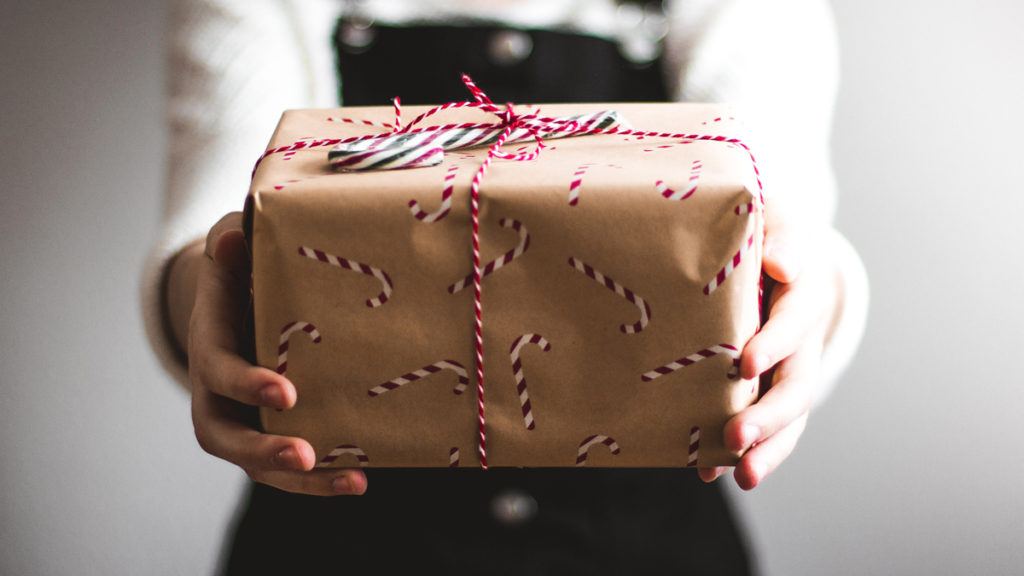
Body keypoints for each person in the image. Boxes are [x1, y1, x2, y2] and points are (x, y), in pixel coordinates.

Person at [142, 0, 868, 573]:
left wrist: (811, 296)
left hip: (649, 545)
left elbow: (780, 215)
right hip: (334, 541)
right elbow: (220, 215)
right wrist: (209, 302)